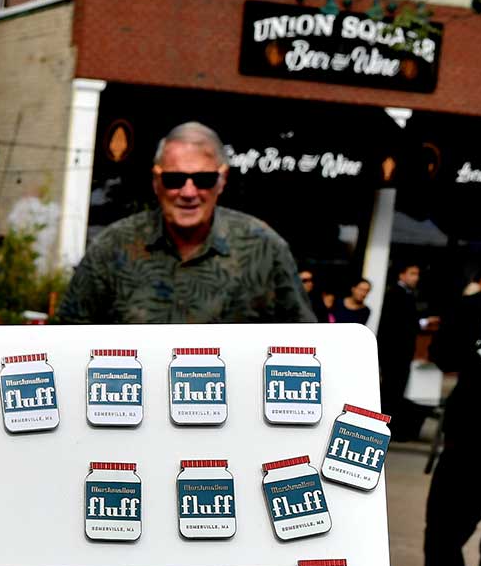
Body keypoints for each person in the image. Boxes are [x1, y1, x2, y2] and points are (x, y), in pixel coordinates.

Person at [56, 121, 314, 325]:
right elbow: (66, 340)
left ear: (222, 180)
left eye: (203, 180)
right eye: (175, 179)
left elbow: (306, 346)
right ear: (156, 181)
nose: (189, 192)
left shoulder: (264, 249)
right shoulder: (111, 249)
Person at [415, 278, 481, 566]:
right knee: (445, 526)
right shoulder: (473, 308)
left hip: (471, 432)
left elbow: (442, 354)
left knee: (445, 526)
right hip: (469, 433)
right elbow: (442, 354)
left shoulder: (474, 306)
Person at [377, 261, 439, 438]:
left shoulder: (407, 294)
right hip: (394, 353)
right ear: (401, 274)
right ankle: (386, 428)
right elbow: (398, 324)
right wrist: (422, 323)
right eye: (412, 273)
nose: (415, 278)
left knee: (396, 391)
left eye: (417, 274)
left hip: (401, 353)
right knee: (391, 392)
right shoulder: (396, 293)